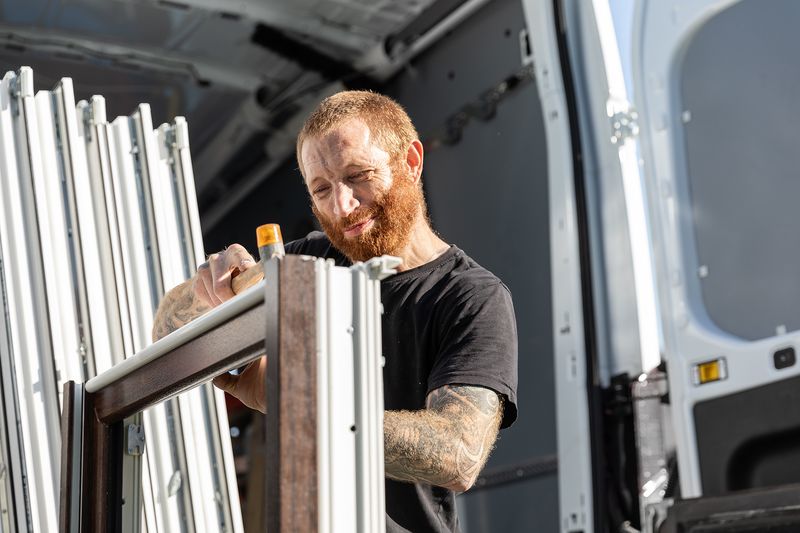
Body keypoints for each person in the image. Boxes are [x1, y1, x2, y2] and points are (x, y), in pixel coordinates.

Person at [152, 90, 518, 532]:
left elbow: (458, 455)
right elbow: (165, 333)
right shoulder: (309, 263)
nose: (342, 206)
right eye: (321, 189)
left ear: (411, 161)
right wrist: (221, 288)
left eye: (359, 175)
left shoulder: (470, 297)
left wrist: (302, 404)